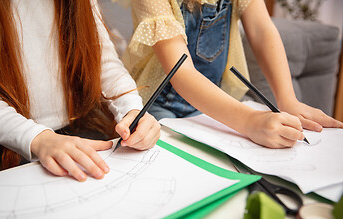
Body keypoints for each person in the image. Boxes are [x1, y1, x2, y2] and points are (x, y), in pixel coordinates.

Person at [117, 0, 343, 149]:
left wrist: (288, 100)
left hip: (215, 104)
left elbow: (261, 30)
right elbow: (182, 72)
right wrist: (250, 121)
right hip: (159, 108)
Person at [0, 0, 160, 181]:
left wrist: (132, 110)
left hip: (77, 127)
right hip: (5, 143)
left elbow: (104, 63)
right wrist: (38, 139)